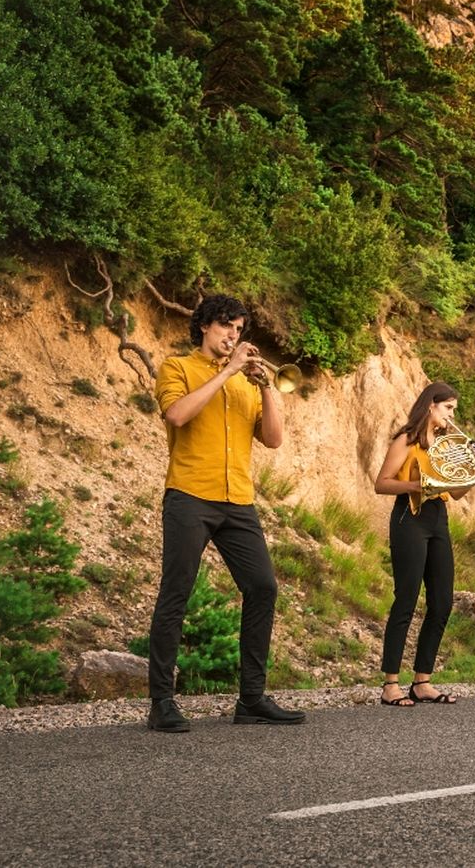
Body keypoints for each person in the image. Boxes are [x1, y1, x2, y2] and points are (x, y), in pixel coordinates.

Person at [146, 295, 305, 732]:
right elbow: (178, 414)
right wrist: (229, 370)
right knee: (176, 591)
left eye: (238, 329)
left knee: (263, 587)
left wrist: (267, 386)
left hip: (238, 499)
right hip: (189, 494)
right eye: (224, 327)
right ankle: (161, 701)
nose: (232, 335)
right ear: (203, 327)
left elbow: (272, 440)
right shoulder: (177, 368)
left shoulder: (246, 384)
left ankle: (251, 699)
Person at [372, 382, 475, 707]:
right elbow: (381, 483)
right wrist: (419, 484)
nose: (452, 415)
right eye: (448, 408)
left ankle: (422, 681)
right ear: (430, 406)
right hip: (409, 516)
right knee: (406, 600)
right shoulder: (406, 440)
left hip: (437, 516)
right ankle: (390, 684)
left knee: (442, 602)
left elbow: (456, 491)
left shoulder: (442, 445)